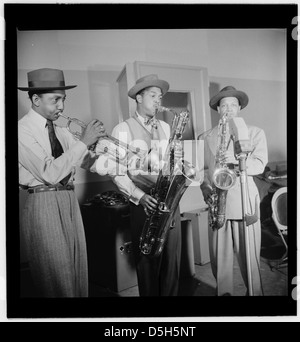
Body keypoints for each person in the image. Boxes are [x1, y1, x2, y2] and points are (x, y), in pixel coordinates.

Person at [18, 68, 106, 297]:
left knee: (77, 271)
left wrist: (119, 159)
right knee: (57, 278)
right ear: (36, 100)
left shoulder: (62, 131)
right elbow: (49, 172)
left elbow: (88, 162)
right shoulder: (21, 130)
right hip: (43, 202)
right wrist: (84, 142)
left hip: (69, 199)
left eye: (63, 100)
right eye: (55, 100)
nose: (62, 107)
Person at [98, 74, 182, 296]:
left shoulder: (165, 126)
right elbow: (116, 171)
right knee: (147, 266)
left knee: (172, 266)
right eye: (153, 95)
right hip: (144, 204)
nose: (158, 100)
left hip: (170, 204)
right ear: (138, 97)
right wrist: (139, 196)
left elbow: (172, 163)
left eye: (160, 96)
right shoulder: (122, 129)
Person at [199, 86, 268, 296]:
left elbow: (259, 165)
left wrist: (237, 161)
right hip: (217, 204)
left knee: (250, 261)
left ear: (239, 108)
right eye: (224, 105)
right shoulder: (205, 136)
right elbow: (202, 170)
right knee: (220, 263)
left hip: (244, 203)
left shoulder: (255, 133)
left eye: (233, 104)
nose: (228, 109)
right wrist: (205, 189)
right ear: (218, 109)